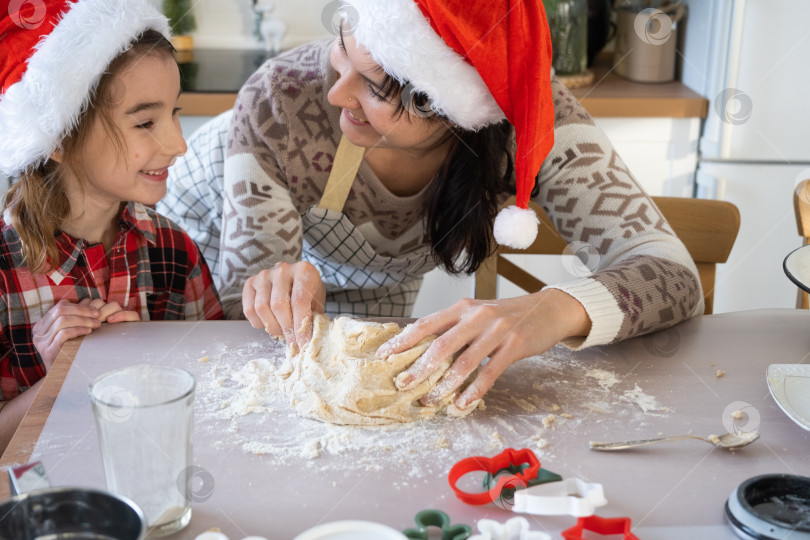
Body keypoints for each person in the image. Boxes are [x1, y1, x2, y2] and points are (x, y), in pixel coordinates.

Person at [161, 0, 702, 412]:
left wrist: (553, 310)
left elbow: (675, 276)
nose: (336, 92)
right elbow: (244, 309)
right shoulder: (283, 99)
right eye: (341, 45)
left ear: (451, 108)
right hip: (203, 236)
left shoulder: (531, 118)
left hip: (373, 275)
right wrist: (270, 287)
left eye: (372, 86)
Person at [0, 0, 224, 451]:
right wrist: (61, 380)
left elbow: (217, 397)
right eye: (145, 122)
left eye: (175, 112)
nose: (178, 144)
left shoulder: (175, 252)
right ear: (59, 137)